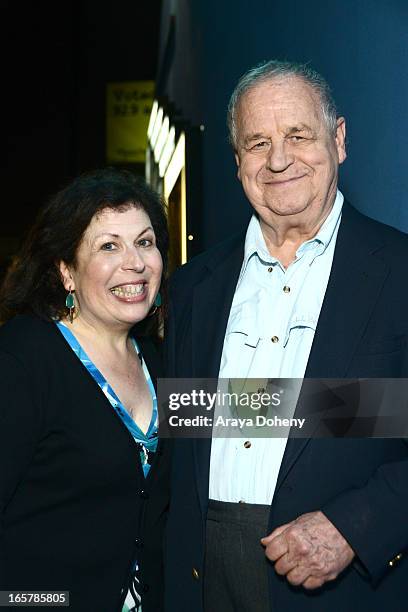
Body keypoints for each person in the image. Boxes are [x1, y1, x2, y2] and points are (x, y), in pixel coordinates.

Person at [164, 60, 408, 611]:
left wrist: (355, 527)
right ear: (237, 161)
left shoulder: (399, 273)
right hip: (201, 581)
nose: (278, 160)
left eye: (298, 135)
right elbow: (190, 437)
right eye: (257, 143)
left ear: (339, 139)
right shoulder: (194, 287)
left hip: (341, 589)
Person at [0, 168, 171, 612]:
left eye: (145, 241)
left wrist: (368, 407)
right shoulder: (25, 357)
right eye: (108, 246)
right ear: (66, 272)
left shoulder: (160, 361)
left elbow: (253, 410)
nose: (134, 262)